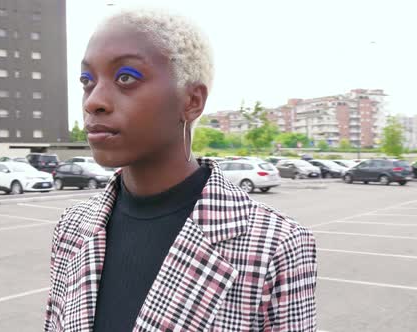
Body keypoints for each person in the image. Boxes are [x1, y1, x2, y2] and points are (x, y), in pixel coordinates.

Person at [44, 8, 317, 332]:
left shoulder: (276, 245)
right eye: (87, 81)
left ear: (192, 100)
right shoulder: (72, 229)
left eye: (125, 78)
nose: (93, 101)